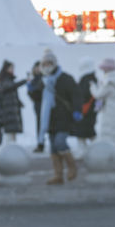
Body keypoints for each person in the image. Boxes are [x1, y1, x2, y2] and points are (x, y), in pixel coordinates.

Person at [39, 50, 81, 185]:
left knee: (60, 142)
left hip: (63, 117)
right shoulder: (43, 81)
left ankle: (72, 167)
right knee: (53, 147)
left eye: (49, 63)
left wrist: (77, 110)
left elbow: (76, 95)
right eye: (44, 64)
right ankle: (58, 175)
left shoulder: (65, 78)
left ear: (54, 63)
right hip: (49, 119)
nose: (47, 66)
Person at [92, 58, 115, 168]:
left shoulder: (108, 82)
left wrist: (93, 87)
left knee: (111, 137)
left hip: (110, 110)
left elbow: (98, 95)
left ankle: (114, 162)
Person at [70, 57, 98, 158]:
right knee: (87, 132)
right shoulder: (91, 78)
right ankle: (91, 150)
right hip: (89, 110)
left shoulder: (86, 80)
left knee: (85, 133)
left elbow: (83, 95)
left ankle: (88, 150)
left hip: (85, 110)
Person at [0, 60, 26, 144]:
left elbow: (11, 93)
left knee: (13, 133)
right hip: (8, 112)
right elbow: (10, 87)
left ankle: (13, 151)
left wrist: (19, 102)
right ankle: (9, 153)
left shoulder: (9, 80)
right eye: (11, 68)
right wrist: (24, 81)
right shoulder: (5, 80)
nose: (13, 70)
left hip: (12, 111)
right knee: (9, 134)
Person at [27, 61, 45, 152]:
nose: (37, 69)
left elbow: (37, 92)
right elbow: (31, 94)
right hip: (38, 105)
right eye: (36, 67)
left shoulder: (43, 78)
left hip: (44, 104)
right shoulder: (34, 79)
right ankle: (40, 144)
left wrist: (32, 90)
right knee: (39, 125)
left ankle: (42, 143)